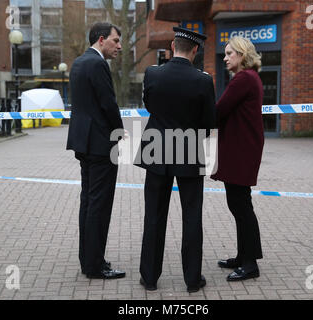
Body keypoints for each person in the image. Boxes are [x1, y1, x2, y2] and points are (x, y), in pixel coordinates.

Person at [135, 27, 216, 293]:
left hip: (156, 150)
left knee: (154, 216)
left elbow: (149, 106)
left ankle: (149, 277)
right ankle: (193, 280)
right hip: (190, 150)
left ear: (172, 46)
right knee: (192, 216)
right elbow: (208, 122)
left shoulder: (153, 73)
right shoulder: (203, 80)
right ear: (195, 50)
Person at [66, 22, 125, 280]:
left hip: (83, 142)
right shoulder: (98, 64)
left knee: (88, 202)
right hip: (101, 144)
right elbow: (108, 103)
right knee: (99, 204)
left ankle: (87, 259)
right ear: (102, 40)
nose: (119, 46)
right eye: (115, 41)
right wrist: (120, 131)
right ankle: (95, 265)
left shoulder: (79, 62)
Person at [211, 36, 264, 281]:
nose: (225, 57)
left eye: (230, 53)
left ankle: (250, 263)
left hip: (241, 151)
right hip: (242, 149)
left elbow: (219, 111)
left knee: (241, 207)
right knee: (240, 205)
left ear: (242, 55)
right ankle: (244, 256)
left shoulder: (243, 79)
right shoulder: (249, 78)